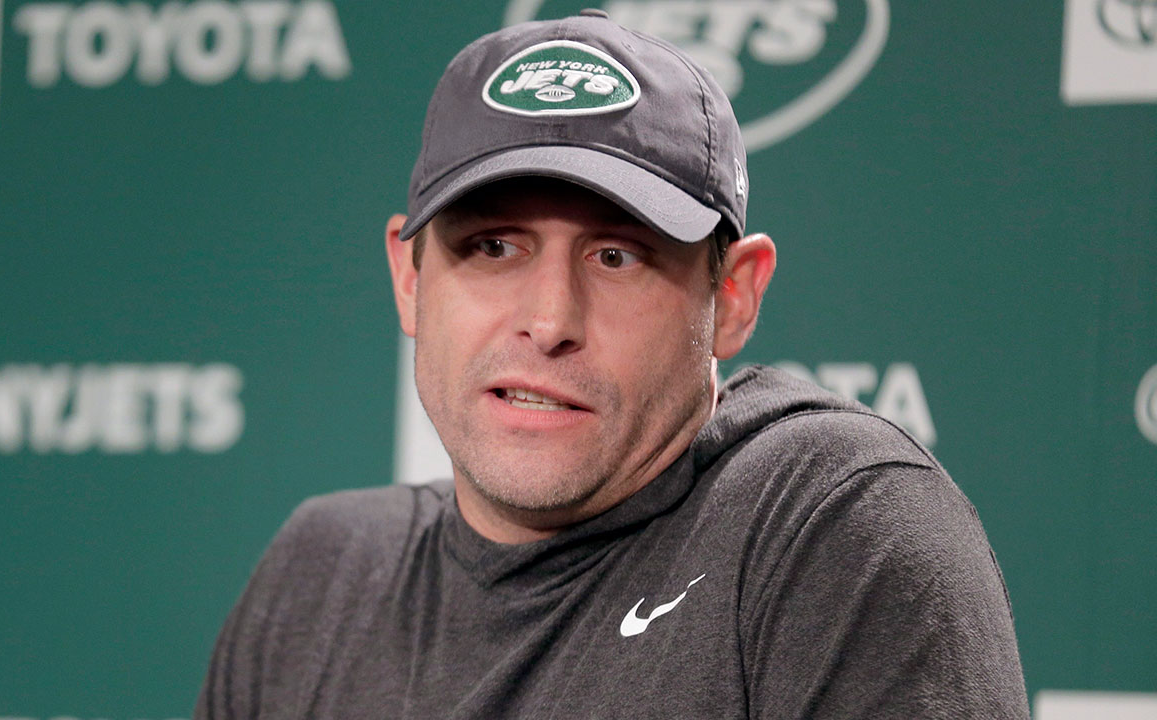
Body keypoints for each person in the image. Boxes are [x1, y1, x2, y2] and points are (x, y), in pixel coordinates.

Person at [196, 10, 1029, 719]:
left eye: (616, 256)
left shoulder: (826, 525)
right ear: (410, 281)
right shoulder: (319, 579)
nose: (550, 321)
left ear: (733, 297)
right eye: (494, 247)